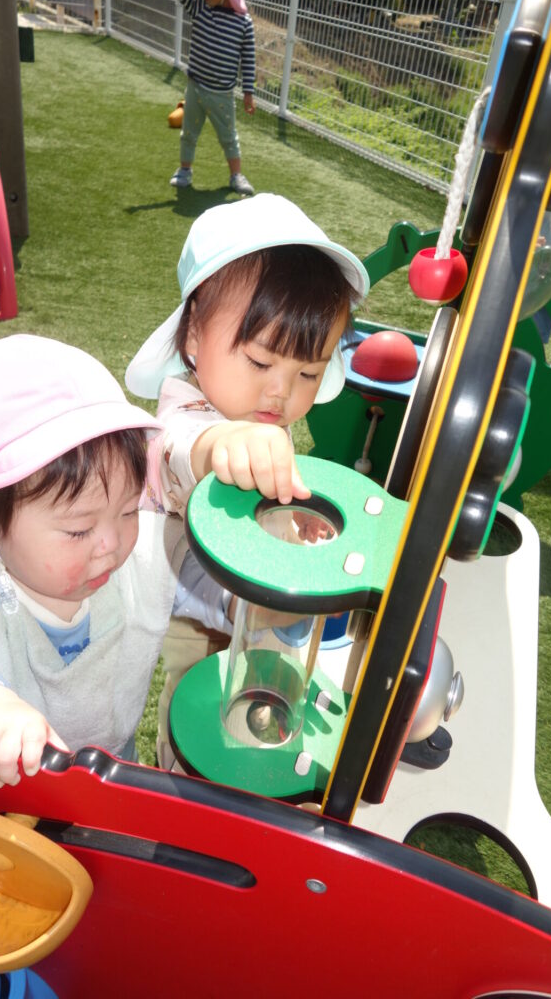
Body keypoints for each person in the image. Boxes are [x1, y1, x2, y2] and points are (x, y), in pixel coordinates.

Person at [0, 335, 233, 788]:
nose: (112, 543)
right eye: (78, 530)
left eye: (129, 510)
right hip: (9, 792)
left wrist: (241, 602)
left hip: (113, 773)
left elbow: (193, 578)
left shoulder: (141, 552)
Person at [125, 193, 369, 766]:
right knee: (199, 737)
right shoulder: (186, 415)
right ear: (193, 336)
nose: (280, 392)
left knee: (263, 727)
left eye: (309, 373)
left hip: (265, 624)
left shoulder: (257, 415)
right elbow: (180, 451)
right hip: (201, 620)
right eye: (260, 362)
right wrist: (223, 444)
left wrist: (297, 527)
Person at [156, 0, 256, 195]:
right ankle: (185, 170)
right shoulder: (199, 6)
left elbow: (248, 60)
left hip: (222, 95)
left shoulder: (243, 23)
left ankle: (236, 175)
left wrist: (248, 92)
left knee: (229, 137)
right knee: (188, 132)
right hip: (195, 88)